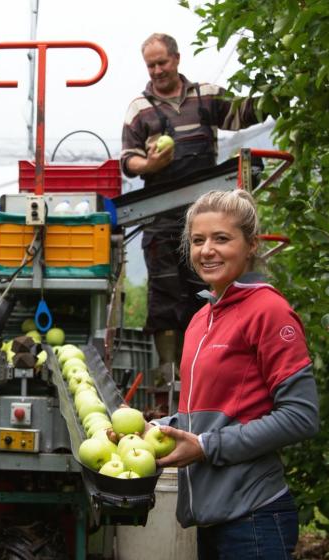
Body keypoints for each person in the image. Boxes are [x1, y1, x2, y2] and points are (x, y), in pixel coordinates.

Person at [146, 189, 320, 559]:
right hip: (214, 518)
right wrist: (152, 430)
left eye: (221, 238)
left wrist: (207, 447)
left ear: (251, 244)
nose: (207, 250)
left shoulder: (268, 311)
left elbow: (302, 417)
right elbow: (209, 416)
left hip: (253, 516)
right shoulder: (201, 319)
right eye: (197, 240)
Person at [120, 33, 263, 378]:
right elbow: (128, 161)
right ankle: (172, 376)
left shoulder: (206, 96)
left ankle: (213, 366)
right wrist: (150, 165)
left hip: (206, 218)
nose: (156, 71)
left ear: (177, 59)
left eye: (162, 63)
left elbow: (243, 113)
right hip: (162, 219)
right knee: (166, 296)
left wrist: (281, 92)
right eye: (151, 65)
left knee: (208, 288)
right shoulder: (139, 109)